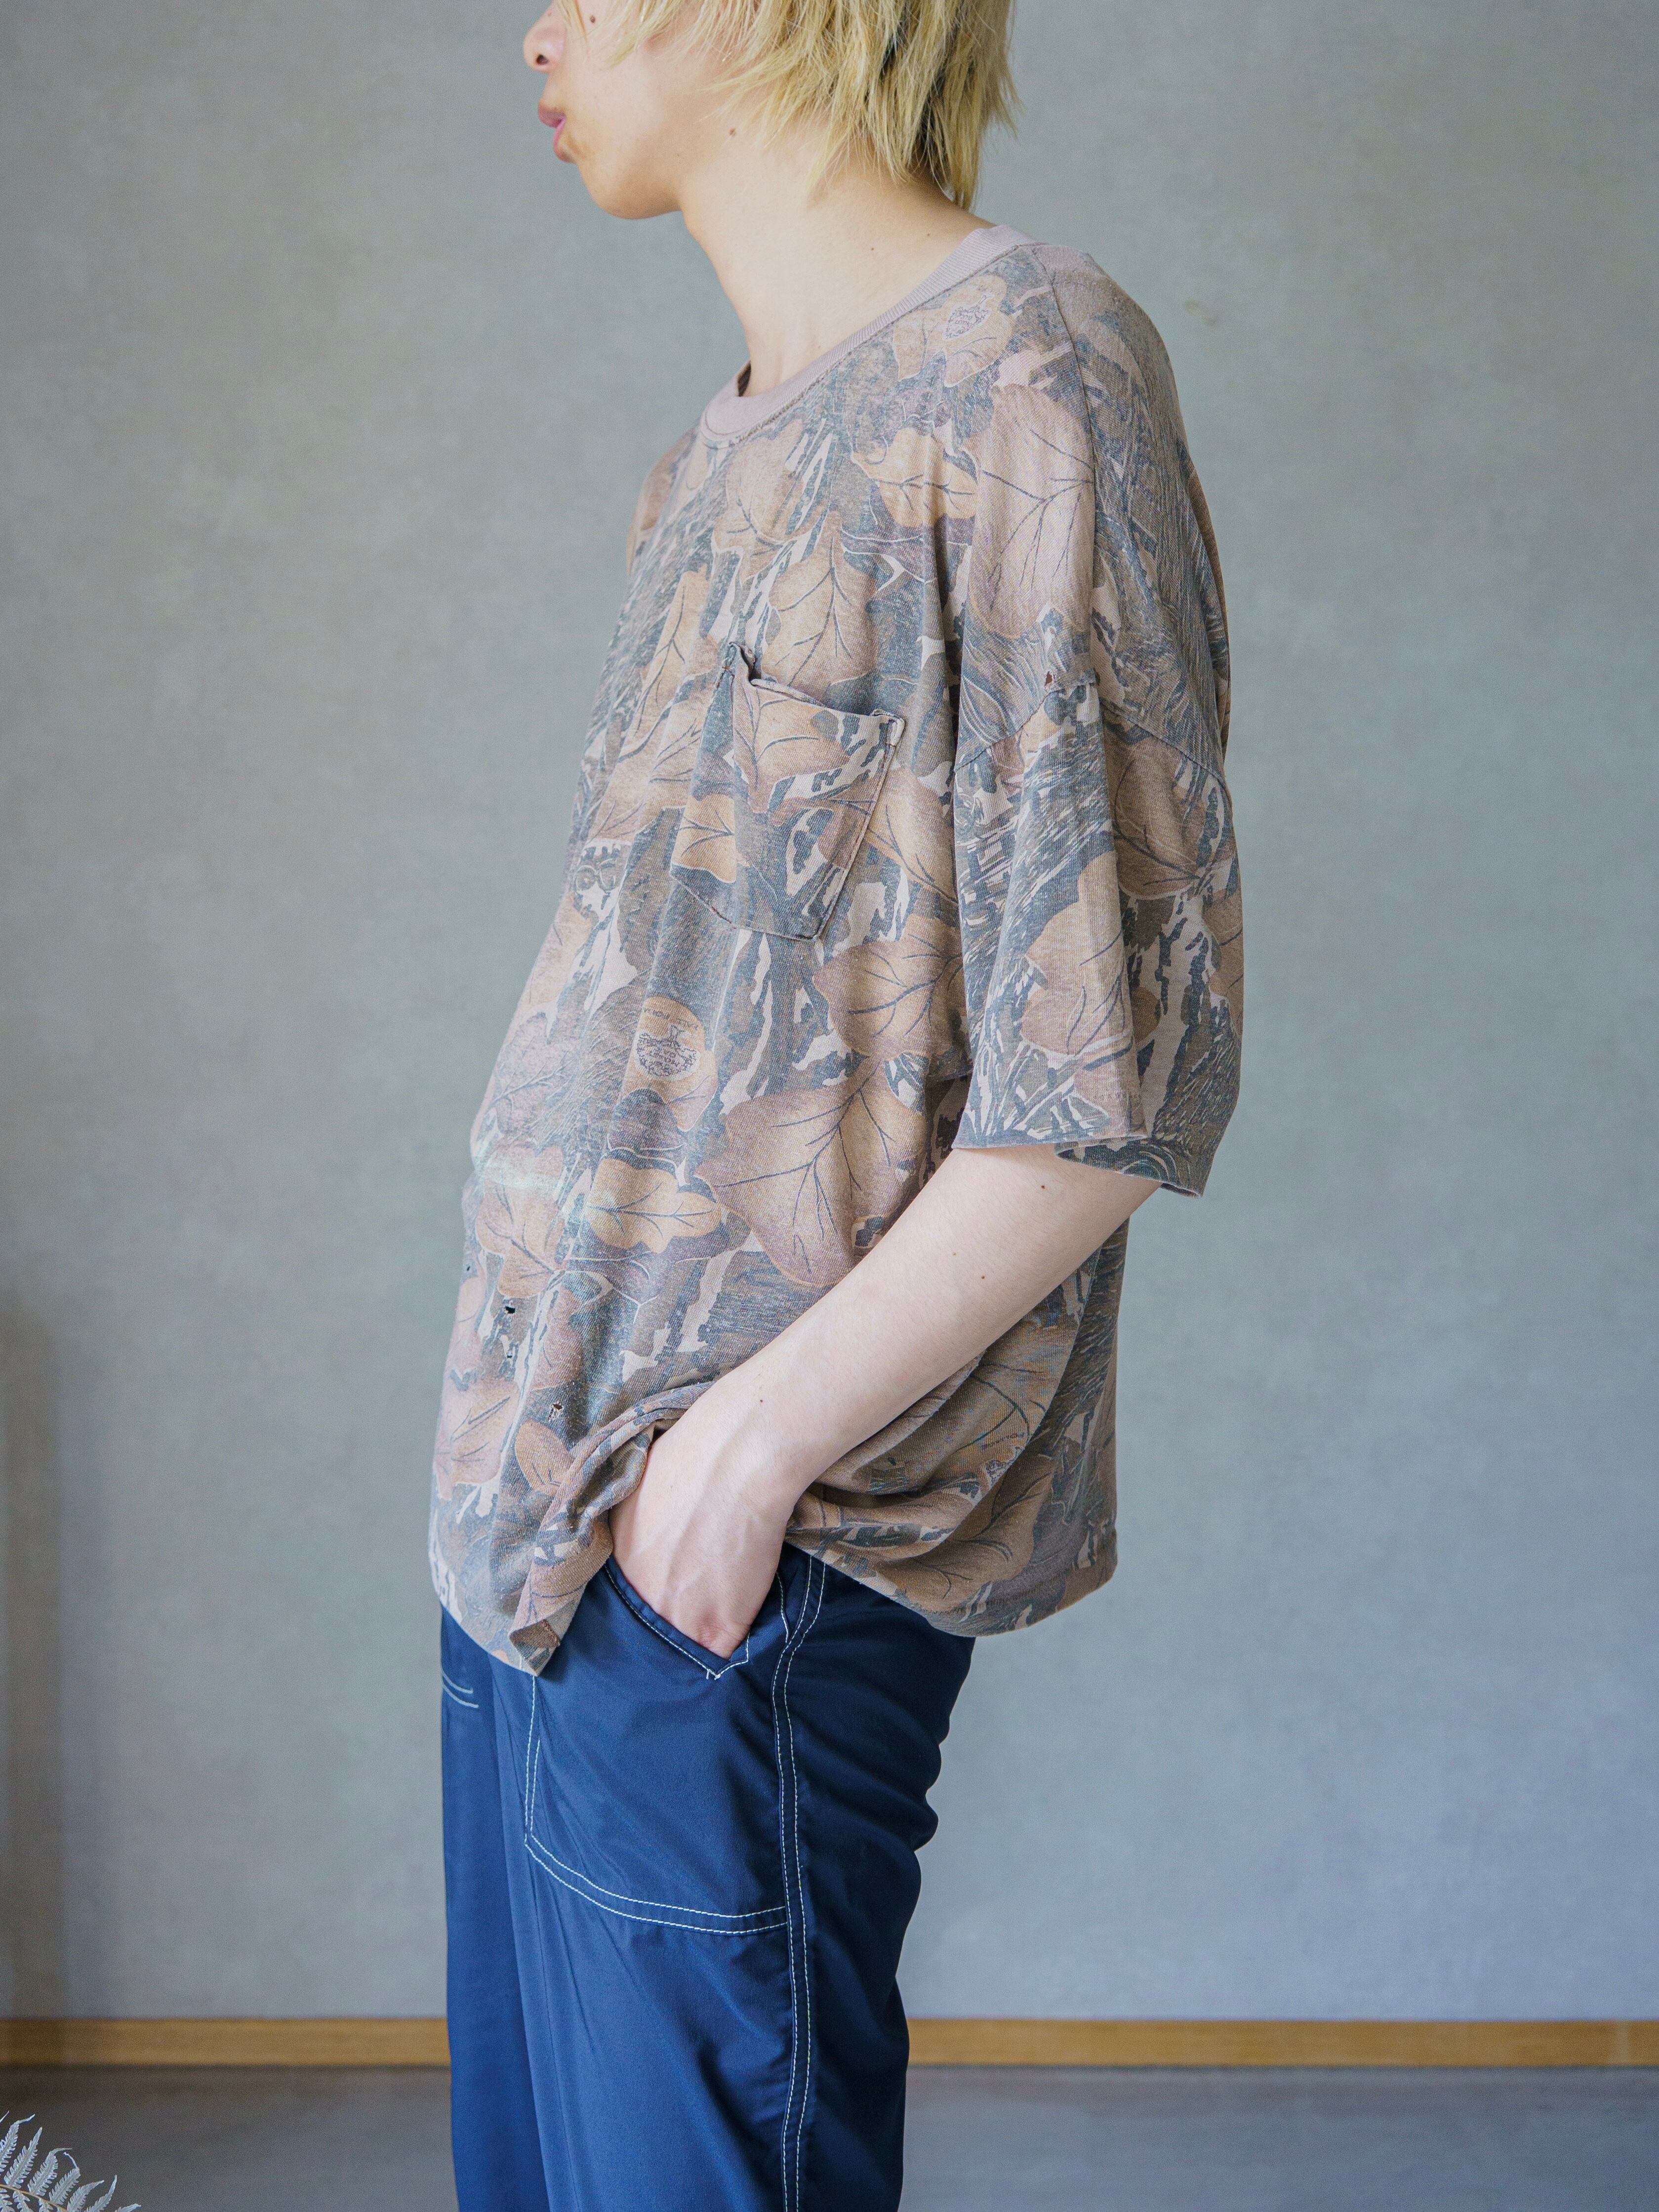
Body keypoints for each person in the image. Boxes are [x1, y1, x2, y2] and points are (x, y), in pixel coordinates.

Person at [431, 3, 1243, 2206]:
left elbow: (1114, 1061)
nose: (535, 31)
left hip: (741, 1564)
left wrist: (739, 1463)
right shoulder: (712, 451)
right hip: (542, 1528)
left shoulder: (1030, 370)